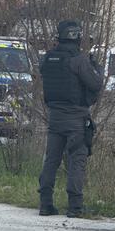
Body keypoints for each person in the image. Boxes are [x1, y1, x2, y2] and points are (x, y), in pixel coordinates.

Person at [38, 20, 103, 218]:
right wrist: (96, 67)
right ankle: (75, 206)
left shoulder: (48, 58)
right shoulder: (79, 60)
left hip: (55, 117)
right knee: (77, 160)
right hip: (76, 118)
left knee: (51, 160)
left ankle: (45, 204)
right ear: (78, 37)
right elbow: (95, 84)